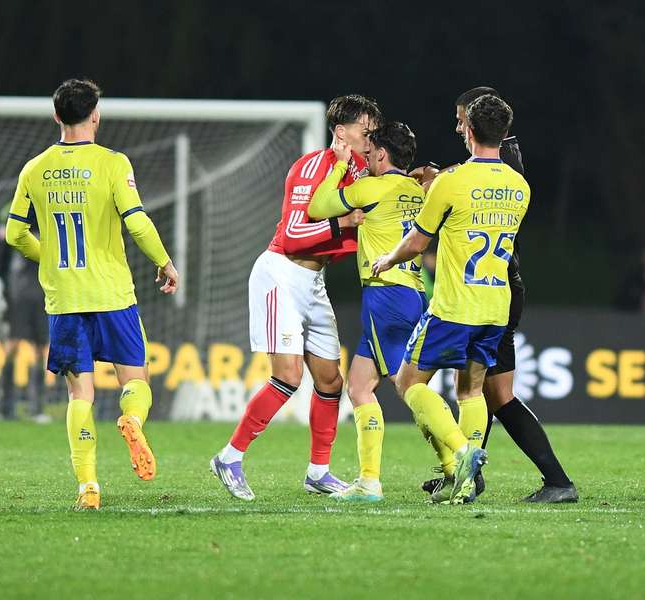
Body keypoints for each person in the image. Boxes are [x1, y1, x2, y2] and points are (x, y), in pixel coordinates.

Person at [6, 79, 179, 510]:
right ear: (95, 116)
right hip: (113, 293)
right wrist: (164, 261)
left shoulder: (35, 168)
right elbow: (137, 223)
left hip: (64, 297)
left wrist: (48, 256)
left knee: (79, 395)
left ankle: (88, 487)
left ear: (56, 116)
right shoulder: (113, 163)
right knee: (135, 381)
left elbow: (14, 233)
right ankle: (132, 419)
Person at [210, 95, 381, 501]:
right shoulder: (312, 167)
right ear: (341, 132)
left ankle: (318, 471)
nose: (371, 139)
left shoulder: (360, 170)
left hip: (313, 282)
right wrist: (344, 223)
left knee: (330, 380)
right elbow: (292, 237)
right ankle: (229, 457)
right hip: (281, 275)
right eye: (365, 131)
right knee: (288, 376)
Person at [416, 87, 576, 503]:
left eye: (460, 118)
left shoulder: (504, 160)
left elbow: (475, 180)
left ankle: (550, 480)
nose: (457, 126)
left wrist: (439, 180)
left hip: (492, 289)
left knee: (488, 392)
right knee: (483, 389)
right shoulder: (503, 163)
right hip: (496, 289)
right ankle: (471, 472)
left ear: (475, 119)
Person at [372, 93, 528, 504]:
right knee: (471, 391)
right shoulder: (520, 186)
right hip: (496, 306)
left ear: (470, 131)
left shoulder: (450, 182)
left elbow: (417, 242)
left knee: (407, 382)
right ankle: (465, 485)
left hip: (455, 305)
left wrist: (387, 258)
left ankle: (461, 454)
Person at [307, 121, 425, 502]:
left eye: (371, 153)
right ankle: (369, 481)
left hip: (385, 293)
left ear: (382, 155)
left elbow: (318, 207)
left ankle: (459, 455)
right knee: (358, 386)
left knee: (406, 384)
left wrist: (341, 167)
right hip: (412, 291)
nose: (366, 158)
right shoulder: (416, 188)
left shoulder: (370, 188)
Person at [0, 201, 50, 422]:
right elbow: (2, 254)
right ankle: (4, 407)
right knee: (12, 345)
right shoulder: (13, 210)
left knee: (42, 350)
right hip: (18, 294)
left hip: (43, 293)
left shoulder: (50, 211)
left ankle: (37, 409)